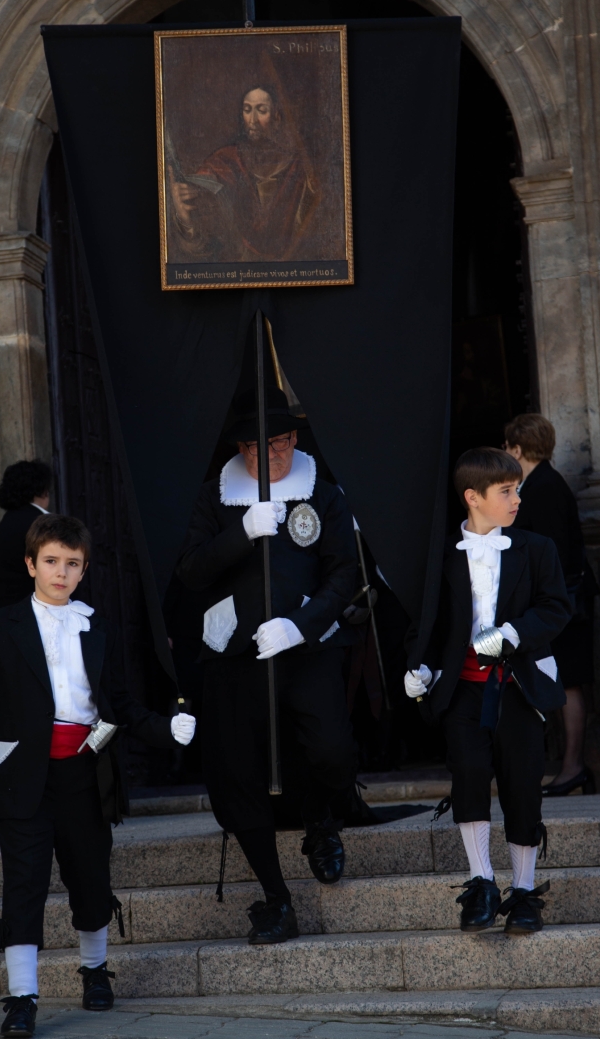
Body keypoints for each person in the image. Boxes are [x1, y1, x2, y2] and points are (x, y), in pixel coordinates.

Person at [0, 513, 196, 1038]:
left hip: (85, 771)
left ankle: (95, 970)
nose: (61, 572)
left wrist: (166, 728)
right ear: (32, 564)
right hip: (22, 777)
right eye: (52, 562)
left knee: (90, 876)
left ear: (84, 571)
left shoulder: (96, 626)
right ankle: (22, 999)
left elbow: (119, 704)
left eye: (72, 564)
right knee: (24, 884)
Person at [177, 387, 358, 946]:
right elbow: (190, 573)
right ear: (239, 449)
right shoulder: (212, 498)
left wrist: (300, 626)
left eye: (279, 442)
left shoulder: (322, 495)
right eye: (257, 446)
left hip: (306, 646)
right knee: (238, 772)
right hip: (234, 653)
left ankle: (322, 820)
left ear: (294, 439)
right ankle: (275, 896)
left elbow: (345, 575)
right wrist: (242, 533)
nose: (270, 453)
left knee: (328, 746)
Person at [405, 448, 571, 935]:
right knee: (470, 775)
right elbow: (426, 625)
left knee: (522, 784)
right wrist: (420, 670)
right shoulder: (438, 558)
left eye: (517, 488)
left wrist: (514, 632)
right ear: (472, 498)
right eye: (507, 491)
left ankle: (523, 891)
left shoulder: (537, 548)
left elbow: (557, 607)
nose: (517, 498)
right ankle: (481, 883)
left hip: (518, 687)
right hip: (463, 690)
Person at [504, 413, 599, 795]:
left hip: (565, 602)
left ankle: (574, 767)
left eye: (508, 447)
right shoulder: (540, 483)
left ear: (517, 448)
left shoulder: (543, 487)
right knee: (563, 680)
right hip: (561, 600)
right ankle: (571, 767)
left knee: (570, 683)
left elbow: (551, 553)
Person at [168, 85, 326, 263]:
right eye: (247, 110)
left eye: (261, 110)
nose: (253, 120)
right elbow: (202, 244)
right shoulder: (223, 162)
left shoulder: (298, 170)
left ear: (277, 117)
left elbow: (310, 235)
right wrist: (184, 220)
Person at [0, 460, 53, 609]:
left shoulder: (1, 529)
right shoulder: (45, 526)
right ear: (43, 490)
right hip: (40, 617)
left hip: (7, 618)